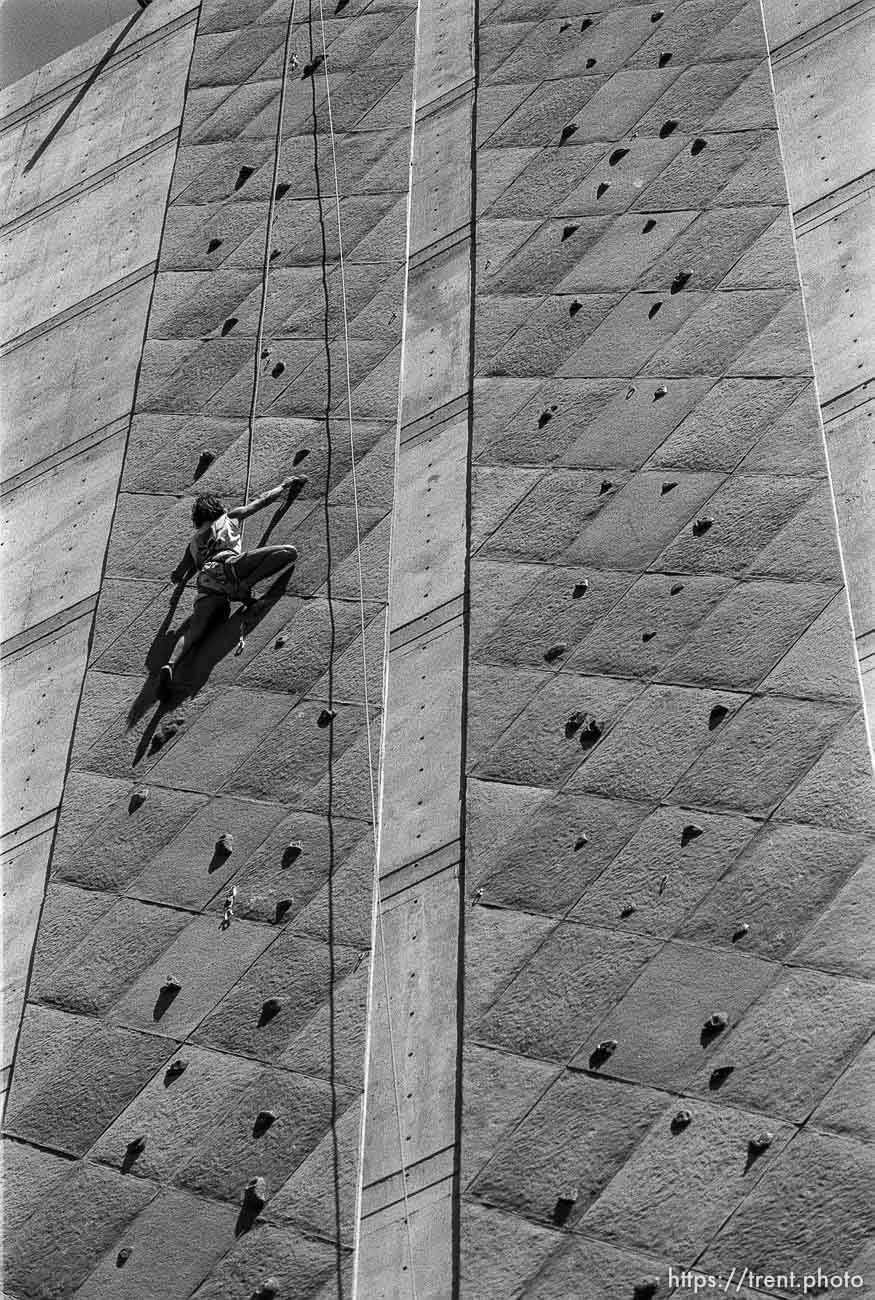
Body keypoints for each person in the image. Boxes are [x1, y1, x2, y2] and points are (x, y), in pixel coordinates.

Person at [159, 477, 306, 687]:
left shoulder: (192, 544)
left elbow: (178, 574)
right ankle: (246, 585)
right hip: (229, 565)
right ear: (217, 508)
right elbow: (262, 501)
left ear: (197, 519)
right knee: (287, 552)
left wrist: (183, 577)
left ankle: (171, 664)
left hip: (206, 583)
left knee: (193, 631)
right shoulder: (229, 518)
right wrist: (284, 486)